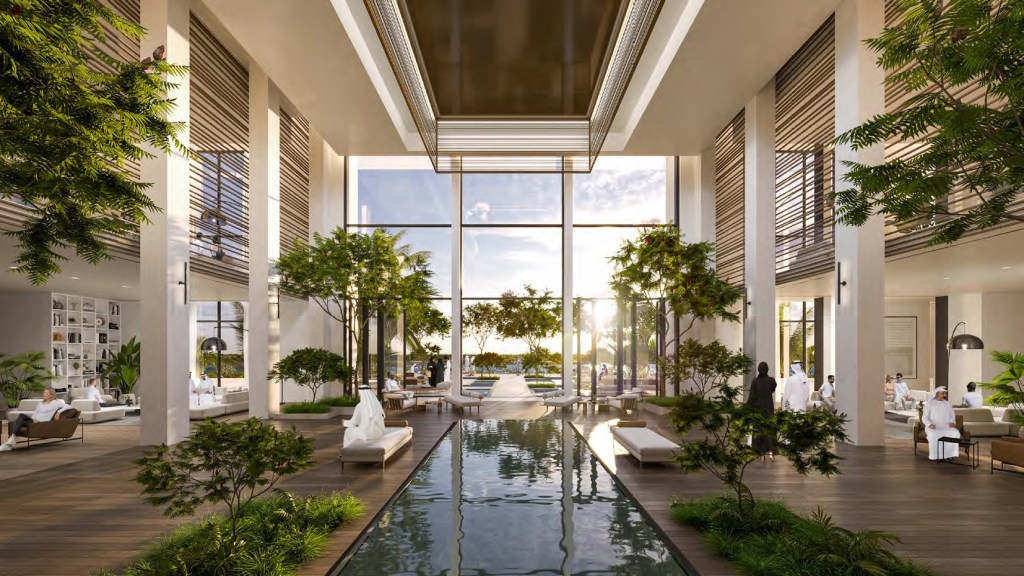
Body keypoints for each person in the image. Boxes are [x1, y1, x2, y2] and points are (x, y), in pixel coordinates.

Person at [0, 387, 67, 451]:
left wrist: (59, 412)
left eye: (46, 393)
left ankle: (10, 441)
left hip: (42, 423)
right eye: (44, 393)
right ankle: (10, 441)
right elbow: (36, 413)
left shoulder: (55, 403)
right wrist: (33, 419)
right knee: (17, 421)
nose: (44, 394)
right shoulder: (41, 403)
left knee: (22, 416)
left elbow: (68, 406)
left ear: (51, 395)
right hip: (34, 421)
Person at [746, 361, 777, 460]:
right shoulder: (771, 380)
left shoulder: (755, 381)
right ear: (767, 369)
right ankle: (771, 449)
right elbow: (773, 389)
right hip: (768, 408)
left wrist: (747, 407)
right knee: (769, 428)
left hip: (758, 408)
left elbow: (752, 396)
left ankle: (760, 450)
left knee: (759, 428)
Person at [923, 386, 960, 460]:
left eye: (945, 394)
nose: (944, 395)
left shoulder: (947, 403)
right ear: (936, 394)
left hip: (945, 426)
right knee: (933, 435)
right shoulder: (929, 404)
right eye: (943, 393)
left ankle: (949, 454)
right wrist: (929, 424)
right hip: (933, 427)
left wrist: (952, 422)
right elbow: (924, 417)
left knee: (955, 433)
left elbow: (952, 414)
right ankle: (936, 456)